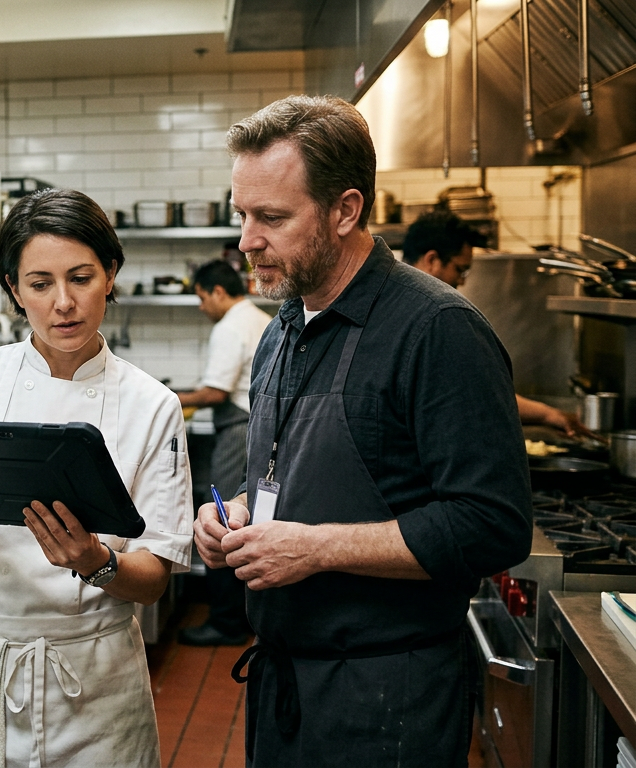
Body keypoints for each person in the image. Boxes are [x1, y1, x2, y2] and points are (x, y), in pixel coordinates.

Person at [193, 95, 532, 766]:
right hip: (283, 682)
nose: (246, 241)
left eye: (272, 217)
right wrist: (229, 513)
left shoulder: (437, 330)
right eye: (242, 216)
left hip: (387, 696)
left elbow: (492, 523)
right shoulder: (282, 329)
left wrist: (316, 549)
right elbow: (281, 470)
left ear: (346, 210)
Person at [0, 188, 193, 767]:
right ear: (13, 290)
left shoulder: (152, 405)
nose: (63, 303)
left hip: (95, 681)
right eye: (39, 284)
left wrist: (93, 561)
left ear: (110, 274)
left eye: (81, 277)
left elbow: (154, 578)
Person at [403, 210, 588, 436]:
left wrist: (549, 414)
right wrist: (549, 415)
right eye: (460, 269)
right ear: (432, 260)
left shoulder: (397, 305)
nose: (461, 281)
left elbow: (477, 388)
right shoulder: (434, 320)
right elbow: (482, 395)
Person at [175, 260, 272, 647]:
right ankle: (244, 615)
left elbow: (215, 393)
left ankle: (226, 621)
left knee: (221, 519)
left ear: (218, 291)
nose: (201, 307)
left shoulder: (230, 326)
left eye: (201, 298)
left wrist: (167, 398)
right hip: (258, 430)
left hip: (237, 432)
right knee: (245, 519)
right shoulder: (258, 317)